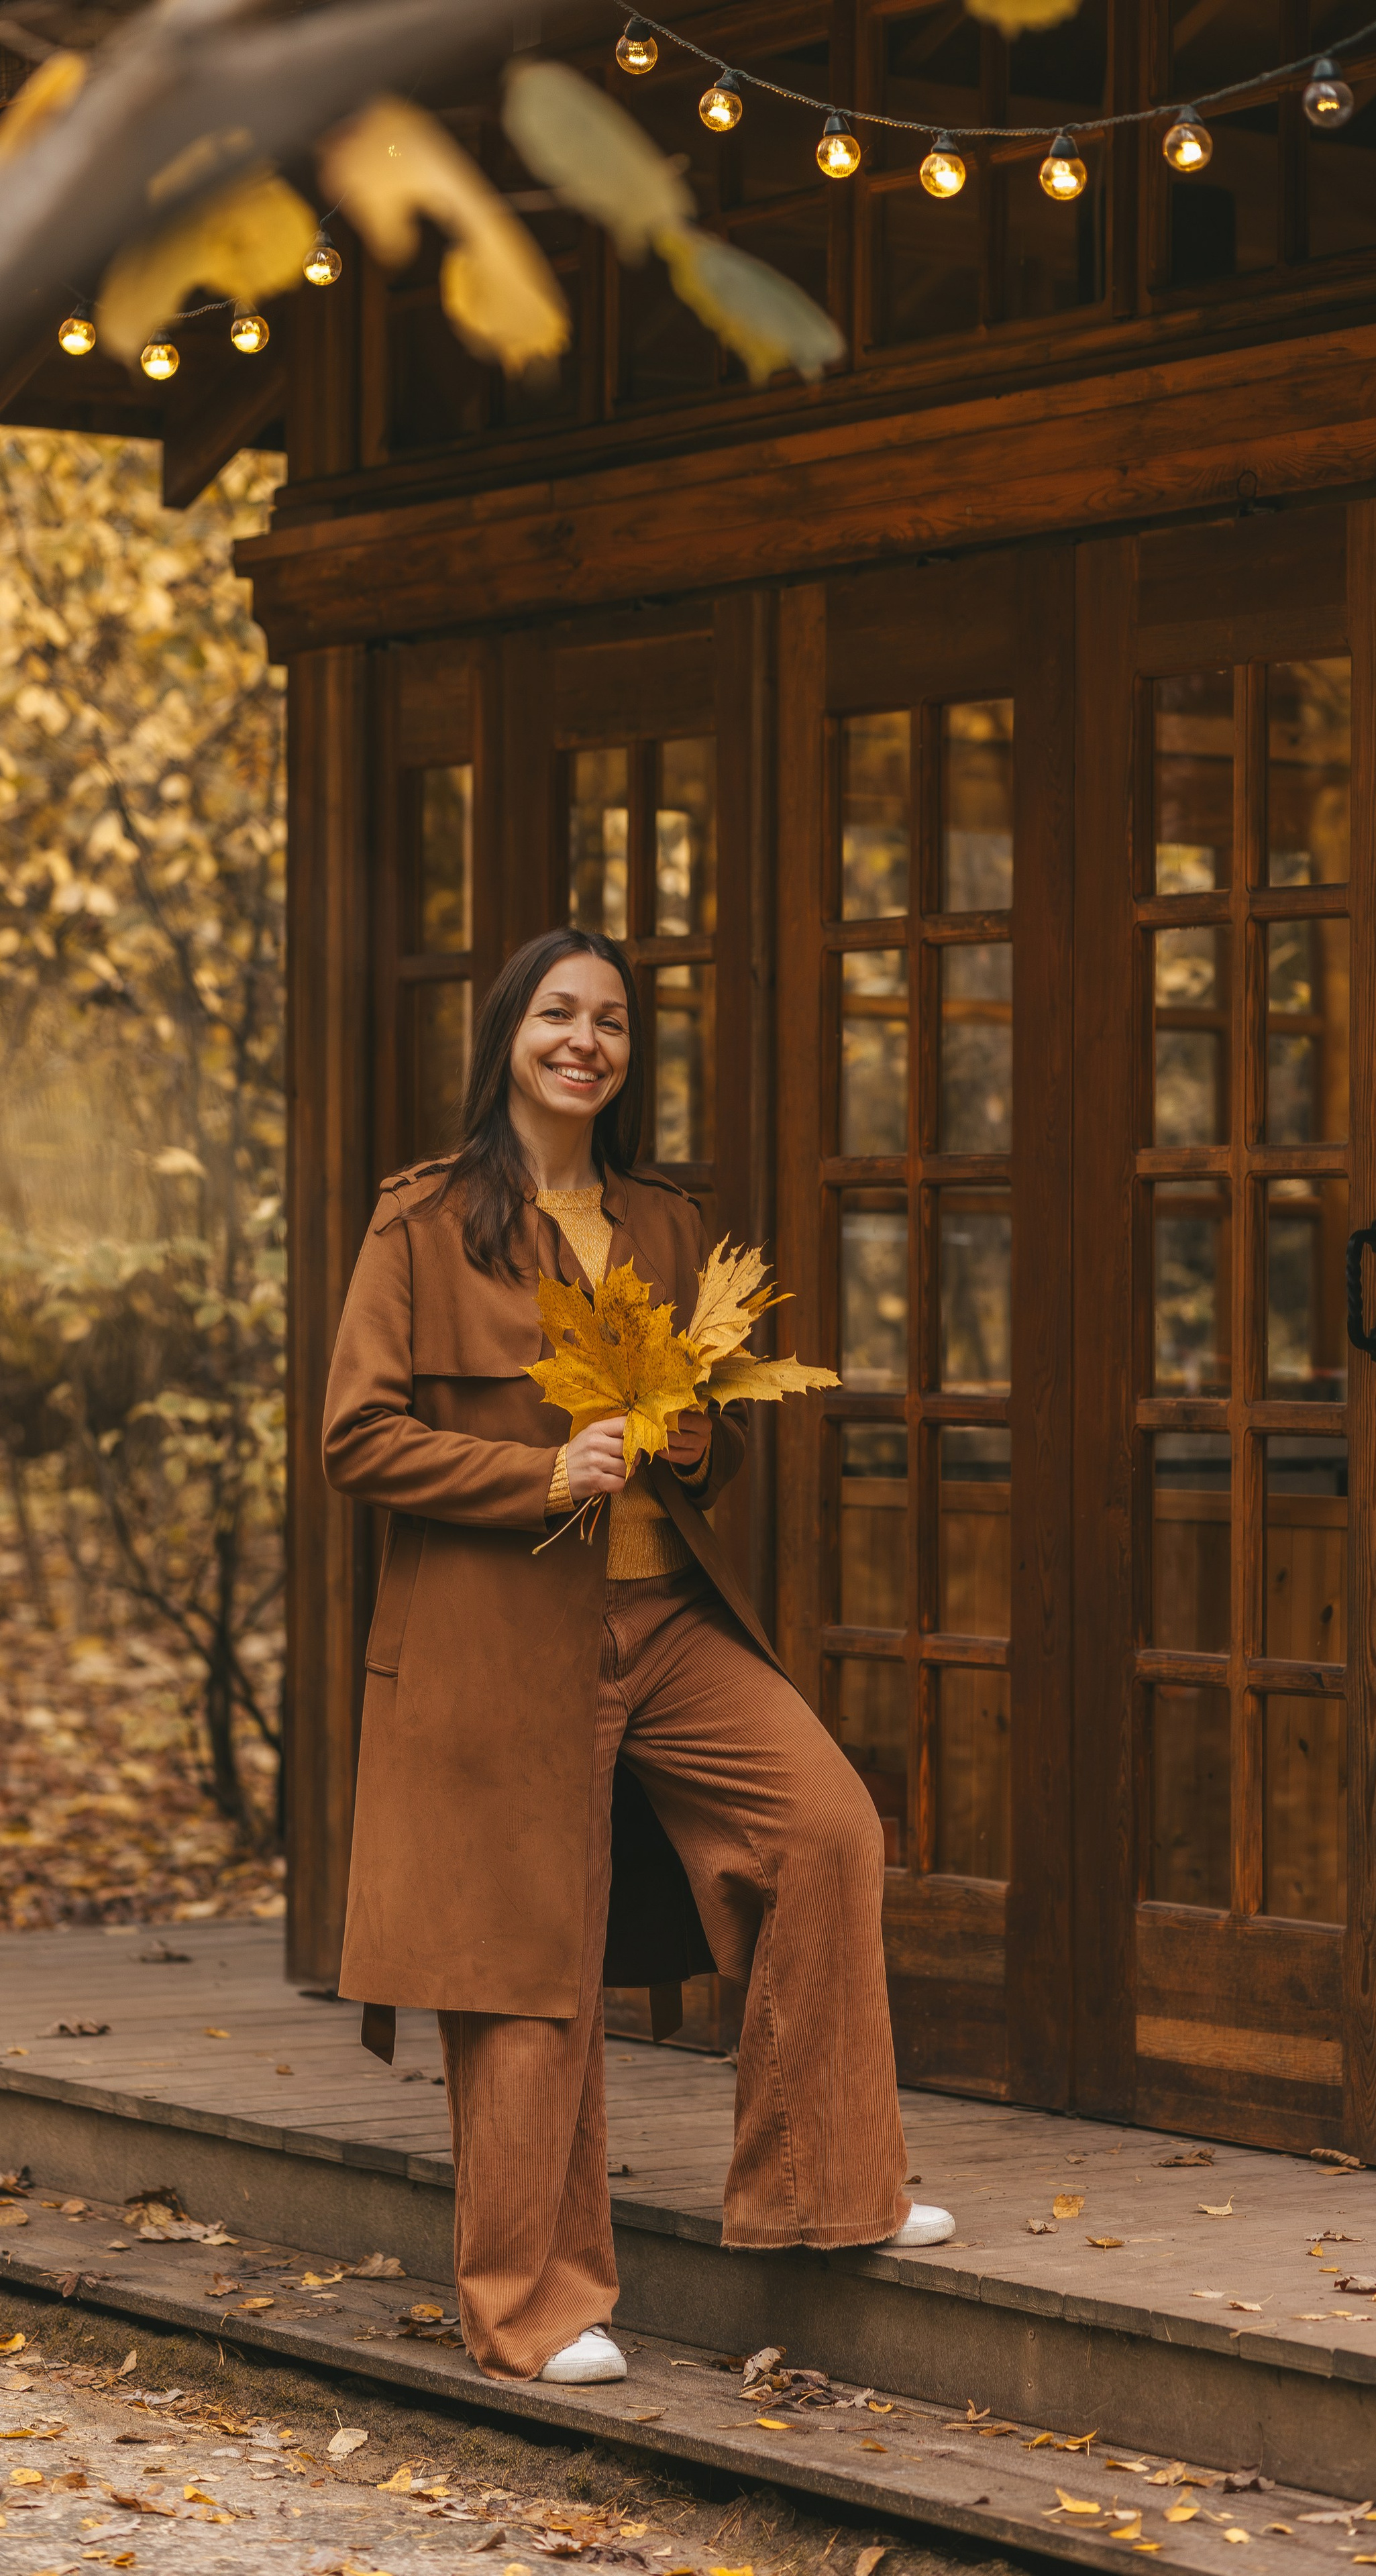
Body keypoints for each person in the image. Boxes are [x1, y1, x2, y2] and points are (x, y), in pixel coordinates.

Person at [322, 926, 954, 2387]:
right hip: (494, 1645)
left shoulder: (665, 1226)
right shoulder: (422, 1223)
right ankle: (530, 2311)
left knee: (825, 1829)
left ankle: (822, 2185)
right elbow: (356, 1437)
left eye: (609, 1020)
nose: (584, 1041)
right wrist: (534, 1474)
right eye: (557, 1014)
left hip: (666, 1619)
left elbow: (710, 1447)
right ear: (508, 1036)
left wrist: (694, 1442)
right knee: (528, 1958)